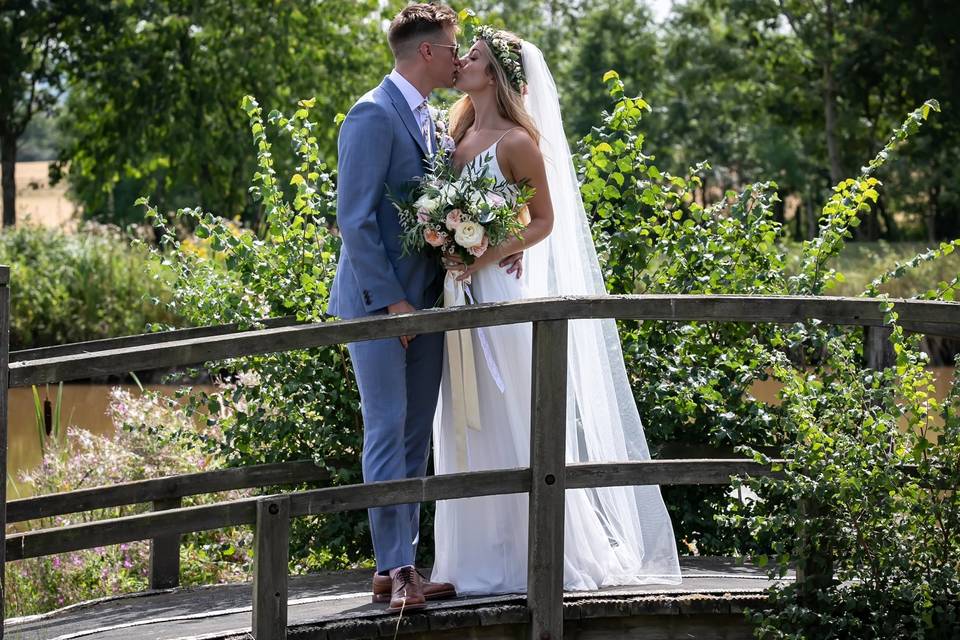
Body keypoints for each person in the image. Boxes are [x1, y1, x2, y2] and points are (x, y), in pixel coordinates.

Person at [430, 28, 682, 595]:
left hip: (497, 293)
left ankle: (533, 555)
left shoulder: (517, 142)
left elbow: (543, 220)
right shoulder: (456, 131)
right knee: (462, 422)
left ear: (493, 73)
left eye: (471, 57)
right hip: (453, 291)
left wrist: (492, 251)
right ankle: (468, 561)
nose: (461, 62)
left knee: (510, 415)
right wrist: (448, 247)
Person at [327, 4, 520, 612]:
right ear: (428, 52)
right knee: (385, 431)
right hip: (380, 305)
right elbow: (354, 223)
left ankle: (396, 569)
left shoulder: (435, 122)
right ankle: (398, 570)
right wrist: (396, 305)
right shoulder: (371, 114)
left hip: (431, 305)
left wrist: (492, 247)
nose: (461, 57)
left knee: (415, 436)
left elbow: (454, 204)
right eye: (454, 46)